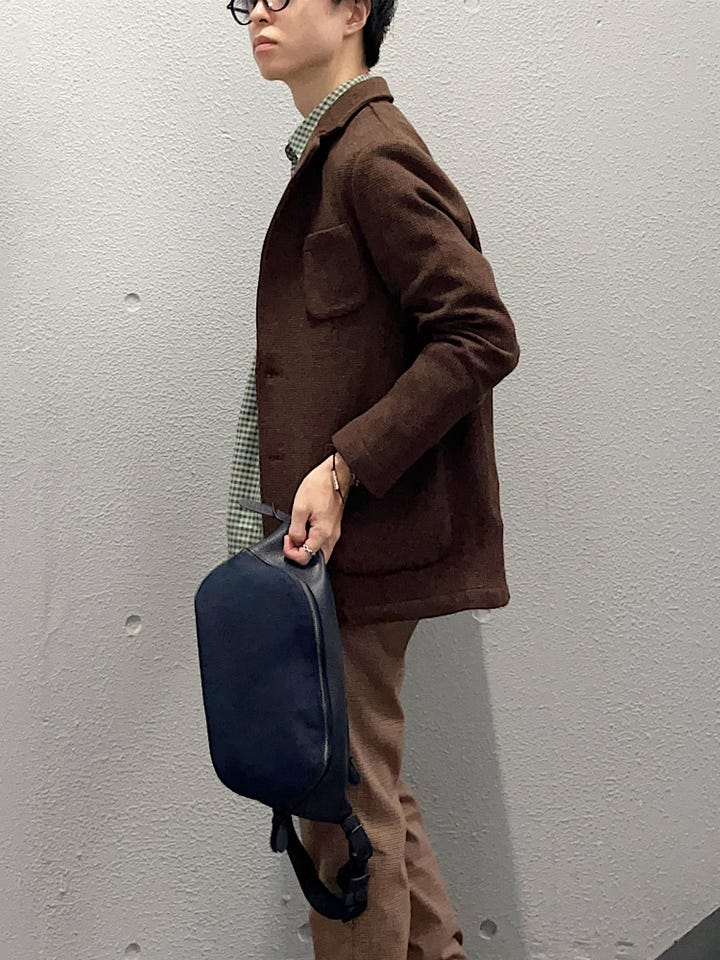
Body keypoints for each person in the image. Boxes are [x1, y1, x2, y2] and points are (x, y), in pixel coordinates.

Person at [226, 1, 521, 956]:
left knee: (343, 817)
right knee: (367, 792)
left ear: (355, 8)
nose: (257, 9)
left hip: (353, 553)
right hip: (327, 559)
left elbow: (479, 332)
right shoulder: (333, 154)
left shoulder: (371, 154)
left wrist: (346, 465)